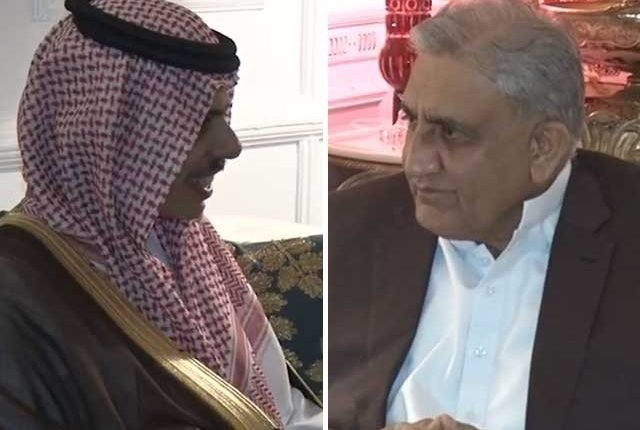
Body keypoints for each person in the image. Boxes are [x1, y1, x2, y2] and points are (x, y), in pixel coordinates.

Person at [0, 0, 321, 429]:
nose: (231, 146)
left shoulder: (186, 242)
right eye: (198, 122)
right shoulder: (18, 297)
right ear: (103, 134)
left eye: (221, 114)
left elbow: (282, 410)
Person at [328, 0, 640, 429]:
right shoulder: (352, 229)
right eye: (412, 121)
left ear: (543, 148)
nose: (416, 163)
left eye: (451, 133)